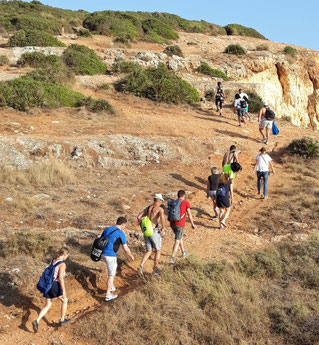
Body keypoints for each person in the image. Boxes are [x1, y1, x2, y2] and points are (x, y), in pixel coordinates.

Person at [32, 247, 70, 332]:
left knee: (47, 305)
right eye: (67, 255)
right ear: (64, 255)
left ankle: (37, 320)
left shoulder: (53, 261)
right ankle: (63, 320)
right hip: (55, 285)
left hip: (48, 285)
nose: (67, 257)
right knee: (65, 300)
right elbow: (60, 278)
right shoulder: (62, 264)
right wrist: (63, 290)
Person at [101, 217, 135, 301]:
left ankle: (111, 286)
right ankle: (108, 294)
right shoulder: (120, 233)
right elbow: (125, 248)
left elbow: (101, 239)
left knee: (113, 268)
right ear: (123, 224)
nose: (125, 227)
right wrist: (131, 255)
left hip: (102, 254)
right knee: (111, 275)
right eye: (125, 225)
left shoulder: (107, 229)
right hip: (111, 255)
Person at [137, 193, 166, 275]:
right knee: (158, 250)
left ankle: (141, 266)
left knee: (149, 250)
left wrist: (142, 227)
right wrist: (163, 228)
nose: (161, 202)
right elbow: (163, 218)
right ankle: (155, 269)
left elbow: (139, 217)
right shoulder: (160, 209)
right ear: (159, 200)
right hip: (154, 231)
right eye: (161, 201)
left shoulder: (148, 208)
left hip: (146, 232)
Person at [169, 190, 196, 264]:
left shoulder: (174, 202)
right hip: (179, 224)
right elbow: (189, 214)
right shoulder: (185, 202)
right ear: (184, 195)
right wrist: (192, 224)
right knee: (177, 240)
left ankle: (183, 252)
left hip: (172, 223)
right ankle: (172, 257)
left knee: (179, 237)